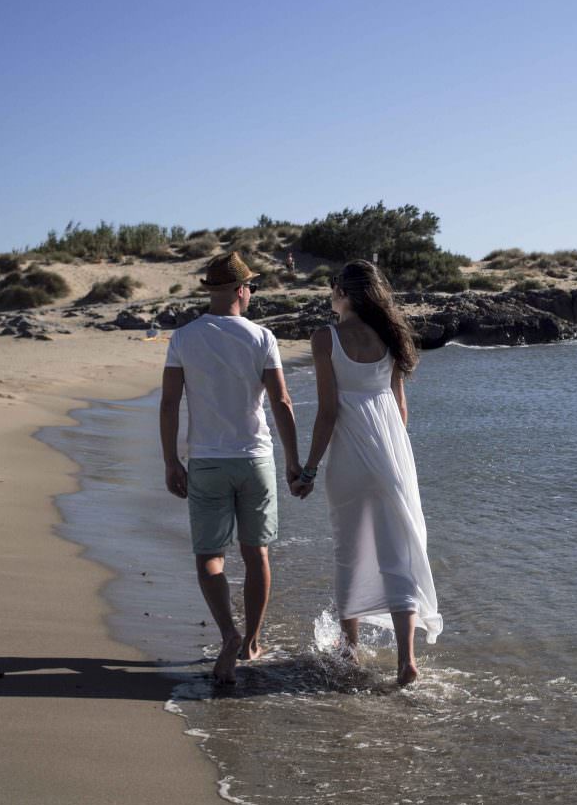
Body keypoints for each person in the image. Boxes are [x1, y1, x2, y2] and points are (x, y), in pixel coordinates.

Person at [293, 259, 441, 687]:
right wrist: (393, 455)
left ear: (344, 291)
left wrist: (309, 468)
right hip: (394, 457)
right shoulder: (392, 337)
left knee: (350, 550)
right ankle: (406, 660)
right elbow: (401, 411)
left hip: (350, 460)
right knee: (399, 555)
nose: (330, 294)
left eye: (332, 287)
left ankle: (350, 647)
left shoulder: (326, 338)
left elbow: (327, 412)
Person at [160, 252, 302, 685]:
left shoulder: (183, 338)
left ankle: (227, 632)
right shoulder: (262, 337)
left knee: (209, 557)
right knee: (256, 553)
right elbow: (281, 402)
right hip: (254, 458)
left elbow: (169, 402)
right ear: (242, 290)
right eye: (250, 287)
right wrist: (294, 461)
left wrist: (170, 459)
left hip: (206, 459)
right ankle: (251, 642)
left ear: (212, 291)